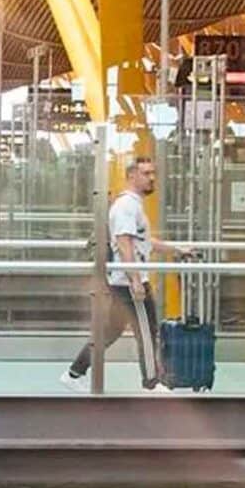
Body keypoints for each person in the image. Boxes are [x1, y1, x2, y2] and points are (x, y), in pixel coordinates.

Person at [65, 156, 188, 391]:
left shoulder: (132, 205)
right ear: (132, 175)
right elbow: (124, 244)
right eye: (146, 174)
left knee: (111, 331)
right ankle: (152, 383)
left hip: (124, 280)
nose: (152, 178)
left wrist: (177, 249)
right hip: (129, 282)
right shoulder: (126, 206)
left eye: (153, 173)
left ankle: (74, 372)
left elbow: (141, 241)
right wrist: (135, 281)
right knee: (147, 330)